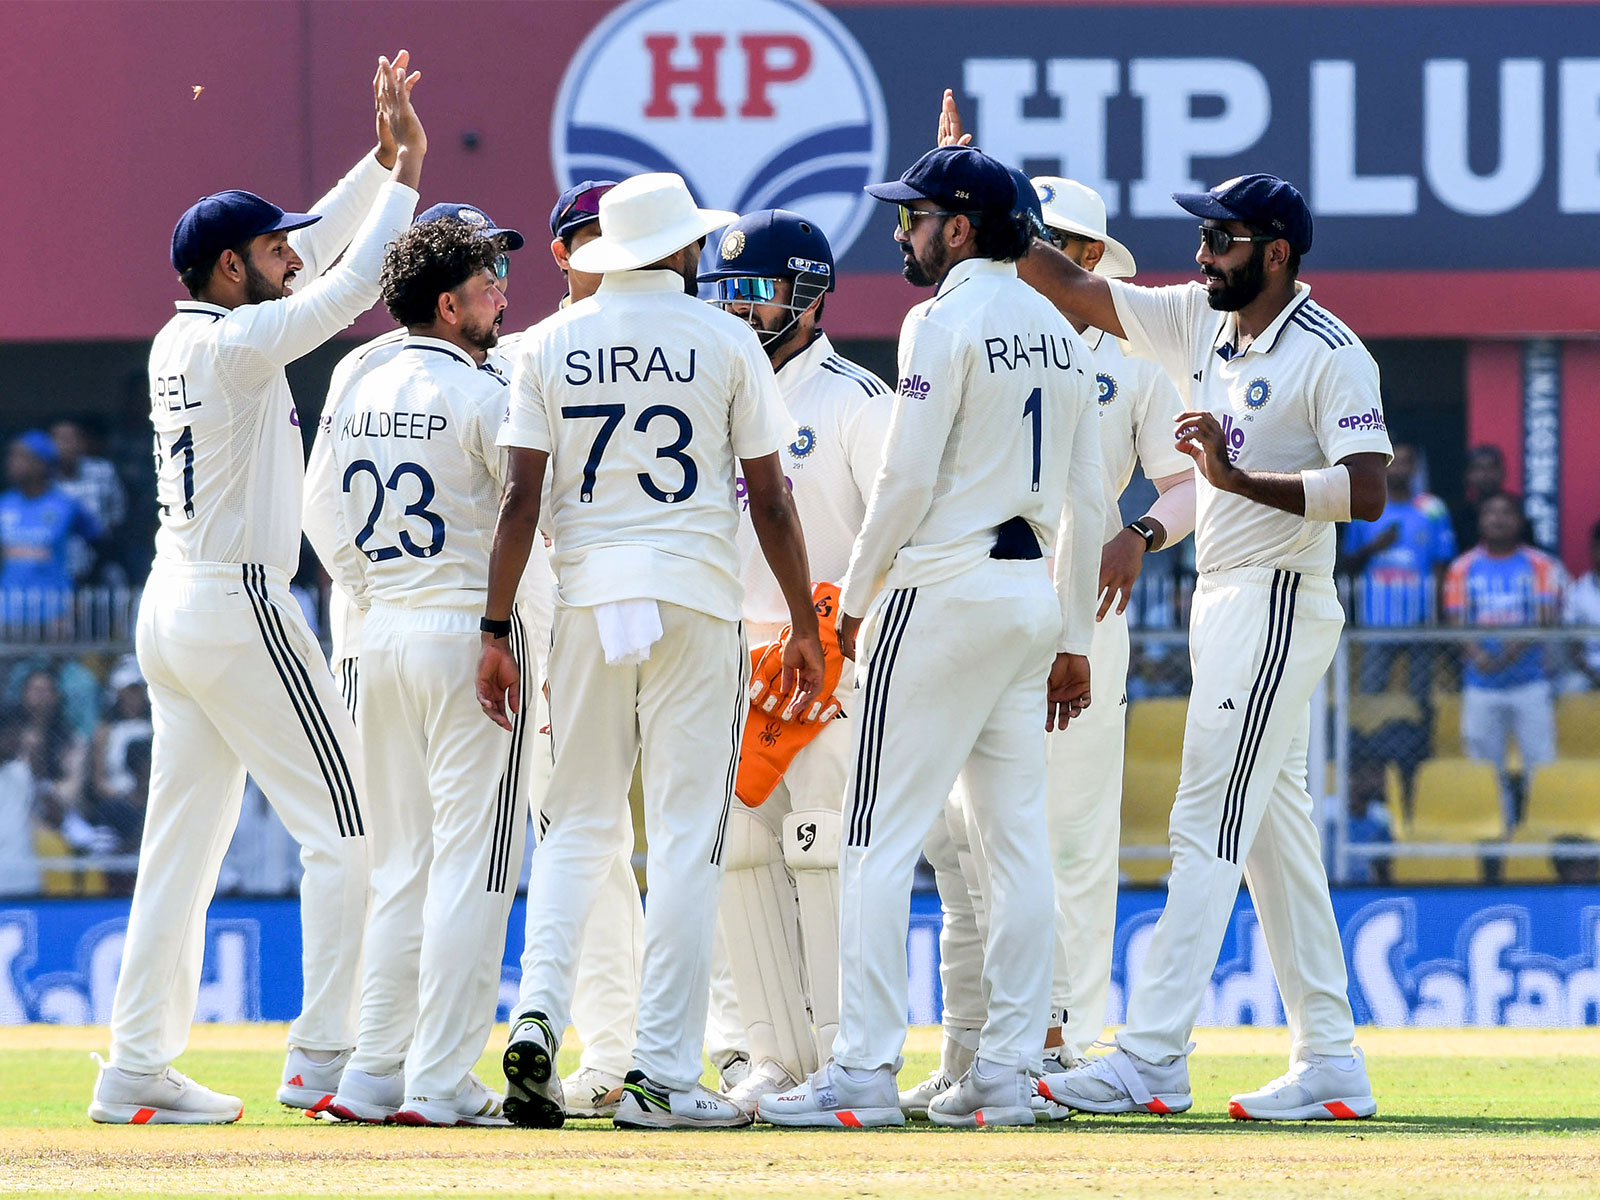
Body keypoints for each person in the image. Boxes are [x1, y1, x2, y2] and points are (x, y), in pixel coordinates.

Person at [994, 122, 1391, 1117]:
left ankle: (1152, 1056)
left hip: (1276, 602)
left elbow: (1368, 489)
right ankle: (1331, 1057)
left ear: (1276, 254)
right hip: (1224, 596)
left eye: (1220, 242)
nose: (1201, 255)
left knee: (1204, 823)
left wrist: (1233, 479)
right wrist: (980, 187)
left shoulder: (1332, 354)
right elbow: (1072, 286)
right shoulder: (1198, 323)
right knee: (1272, 838)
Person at [88, 53, 427, 1126]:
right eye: (269, 244)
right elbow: (352, 284)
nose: (290, 251)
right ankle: (322, 1057)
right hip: (238, 605)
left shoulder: (192, 332)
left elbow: (317, 250)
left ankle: (134, 1064)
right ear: (232, 267)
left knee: (177, 857)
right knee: (351, 833)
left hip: (172, 603)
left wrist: (376, 163)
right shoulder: (239, 347)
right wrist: (409, 180)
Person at [761, 144, 1103, 1130]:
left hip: (939, 589)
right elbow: (1087, 495)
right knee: (1016, 847)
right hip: (1026, 591)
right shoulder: (1058, 326)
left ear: (959, 228)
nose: (901, 231)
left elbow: (906, 483)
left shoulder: (939, 319)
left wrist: (850, 605)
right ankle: (1003, 1077)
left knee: (873, 837)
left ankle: (862, 1074)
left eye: (916, 217)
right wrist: (1072, 631)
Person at [481, 171, 823, 1130]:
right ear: (678, 249)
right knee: (684, 841)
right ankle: (660, 1075)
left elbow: (518, 504)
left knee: (577, 827)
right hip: (694, 599)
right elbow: (773, 498)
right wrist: (800, 622)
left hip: (588, 599)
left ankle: (540, 1017)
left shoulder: (546, 343)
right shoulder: (723, 338)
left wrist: (495, 627)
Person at [903, 171, 1196, 1117]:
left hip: (1083, 615)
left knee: (1068, 829)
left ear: (1094, 258)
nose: (1055, 254)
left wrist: (1140, 533)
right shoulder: (978, 327)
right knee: (966, 835)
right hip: (978, 596)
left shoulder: (1133, 352)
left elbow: (1190, 484)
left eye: (1071, 244)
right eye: (1044, 237)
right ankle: (981, 1044)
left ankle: (1061, 1031)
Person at [320, 220, 523, 1128]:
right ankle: (440, 1078)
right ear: (449, 303)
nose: (503, 295)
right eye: (490, 281)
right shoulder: (483, 394)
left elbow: (320, 513)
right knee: (474, 866)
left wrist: (372, 592)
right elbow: (530, 514)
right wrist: (488, 622)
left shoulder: (356, 382)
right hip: (461, 633)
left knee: (400, 864)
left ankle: (372, 1070)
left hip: (382, 629)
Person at [696, 208, 892, 1112]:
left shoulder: (856, 399)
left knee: (824, 855)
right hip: (729, 660)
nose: (736, 310)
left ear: (808, 295)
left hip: (826, 662)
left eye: (754, 291)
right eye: (722, 293)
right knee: (737, 857)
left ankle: (846, 1057)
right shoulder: (710, 399)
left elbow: (897, 533)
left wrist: (841, 634)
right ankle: (775, 1061)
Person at [303, 198, 527, 720]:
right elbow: (319, 504)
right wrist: (375, 592)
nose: (498, 284)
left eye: (501, 264)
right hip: (388, 623)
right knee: (416, 800)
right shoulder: (368, 363)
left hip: (434, 631)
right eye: (483, 267)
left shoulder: (505, 364)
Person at [1444, 492, 1564, 827]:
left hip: (1530, 684)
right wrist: (1479, 655)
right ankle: (1496, 834)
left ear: (1519, 521)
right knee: (1484, 767)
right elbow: (1455, 619)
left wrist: (1509, 653)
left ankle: (1542, 832)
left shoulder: (1542, 565)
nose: (1498, 519)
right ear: (1481, 521)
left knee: (1541, 764)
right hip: (1480, 685)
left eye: (1506, 513)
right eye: (1491, 513)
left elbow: (1544, 616)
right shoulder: (1461, 567)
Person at [1340, 443, 1456, 697]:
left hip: (1420, 619)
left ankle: (1420, 737)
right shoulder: (1364, 505)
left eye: (1406, 461)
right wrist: (1373, 548)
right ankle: (1369, 738)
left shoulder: (1433, 508)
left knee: (1420, 695)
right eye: (1392, 462)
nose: (1399, 468)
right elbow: (1346, 564)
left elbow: (1442, 564)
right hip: (1377, 620)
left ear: (1415, 467)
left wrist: (1438, 614)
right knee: (1372, 694)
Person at [0, 431, 103, 633]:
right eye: (11, 456)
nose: (12, 463)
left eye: (21, 457)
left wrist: (79, 593)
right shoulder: (4, 505)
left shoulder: (66, 505)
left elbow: (101, 545)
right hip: (7, 613)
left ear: (42, 464)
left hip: (53, 614)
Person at [52, 418, 128, 586]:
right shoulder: (43, 479)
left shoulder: (103, 471)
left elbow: (117, 517)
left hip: (101, 561)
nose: (64, 446)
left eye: (70, 439)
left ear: (82, 443)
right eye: (58, 439)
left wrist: (103, 552)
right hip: (57, 567)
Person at [1561, 519, 1600, 693]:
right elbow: (1572, 645)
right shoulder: (1577, 591)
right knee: (1570, 686)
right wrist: (1592, 674)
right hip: (1589, 669)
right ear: (1593, 550)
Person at [1452, 445, 1506, 560]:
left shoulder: (1516, 513)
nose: (1486, 474)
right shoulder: (1458, 517)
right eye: (1479, 468)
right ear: (1468, 475)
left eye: (1492, 468)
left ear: (1502, 472)